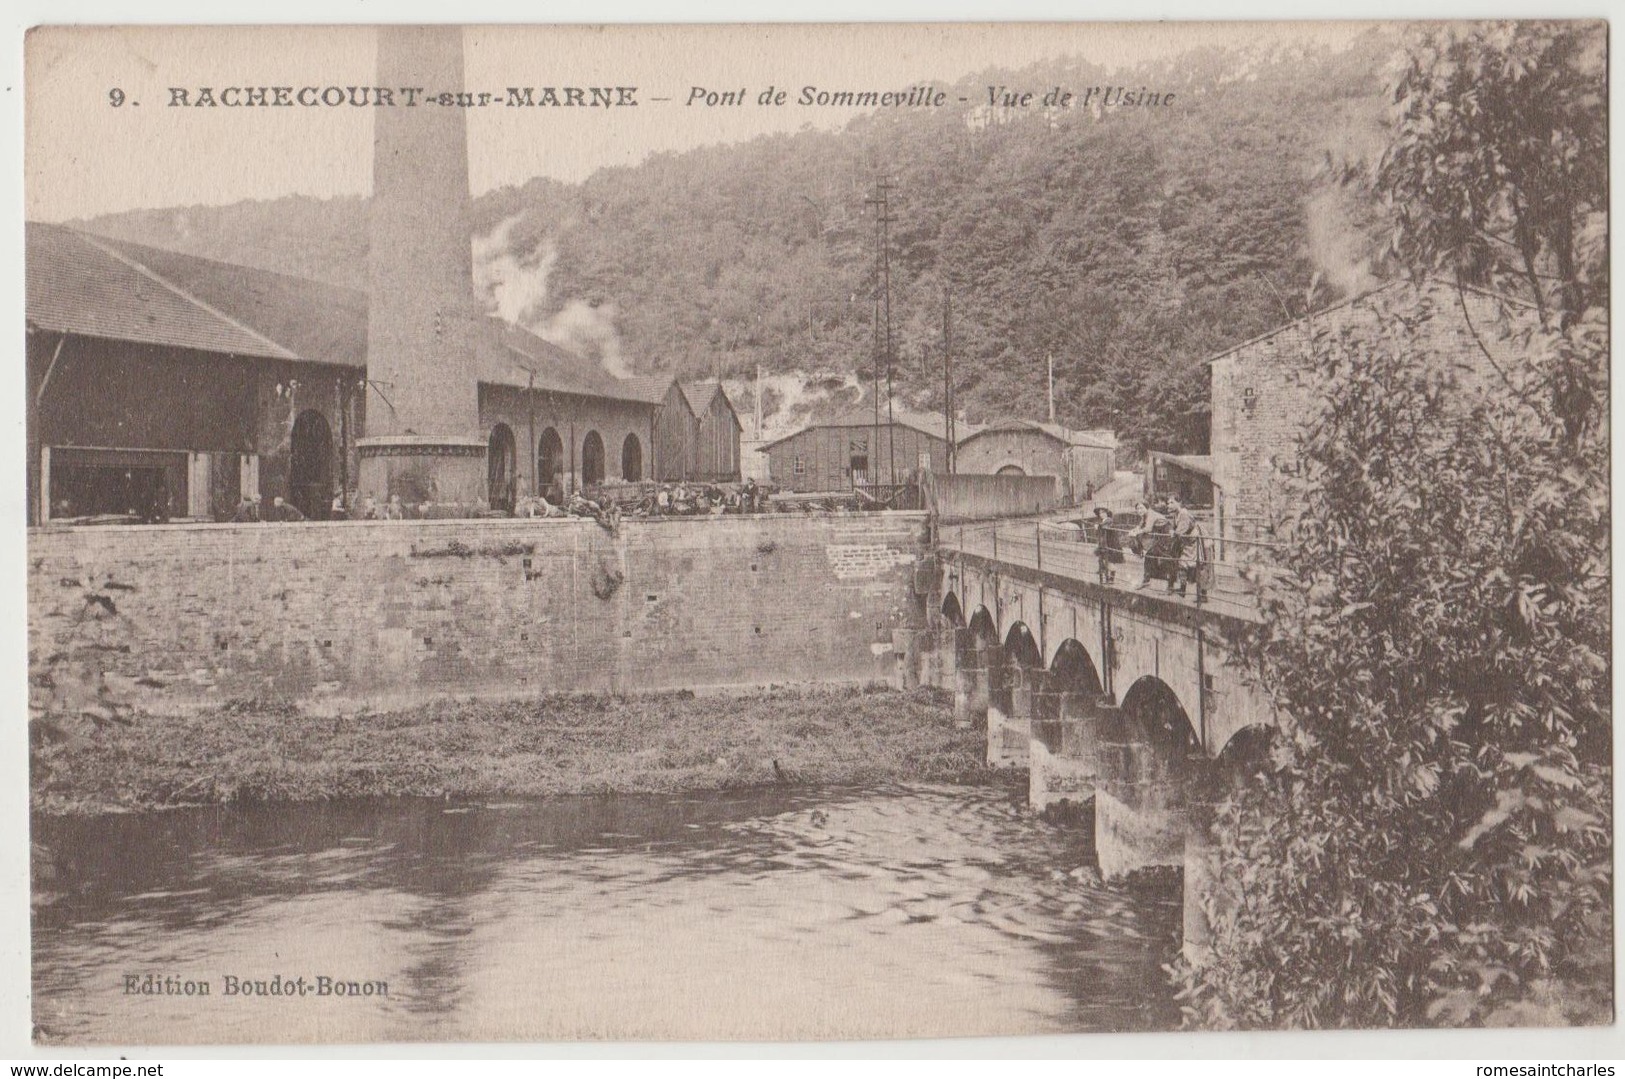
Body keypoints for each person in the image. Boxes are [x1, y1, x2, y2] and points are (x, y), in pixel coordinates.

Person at [1167, 496, 1209, 601]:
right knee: (1183, 564)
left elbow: (1181, 530)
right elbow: (1173, 527)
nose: (1169, 505)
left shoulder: (1184, 513)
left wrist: (1174, 533)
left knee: (1198, 566)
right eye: (1168, 503)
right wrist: (1173, 531)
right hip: (1187, 541)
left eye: (1172, 502)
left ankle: (1203, 595)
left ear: (1179, 502)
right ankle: (1182, 589)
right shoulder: (1176, 514)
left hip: (1195, 541)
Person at [1093, 506, 1124, 582]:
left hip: (1110, 542)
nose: (1102, 514)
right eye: (1100, 513)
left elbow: (1104, 527)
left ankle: (1110, 577)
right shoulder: (1102, 521)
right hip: (1104, 542)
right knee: (1103, 559)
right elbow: (1098, 533)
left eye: (1103, 512)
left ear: (1107, 513)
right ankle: (1104, 571)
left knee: (1110, 560)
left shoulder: (1109, 520)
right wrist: (1097, 528)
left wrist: (1098, 527)